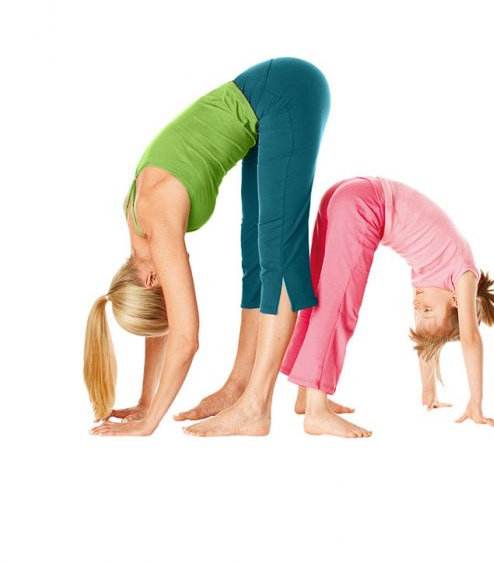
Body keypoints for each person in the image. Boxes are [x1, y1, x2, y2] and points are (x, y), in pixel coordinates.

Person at [86, 57, 332, 437]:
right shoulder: (139, 220)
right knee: (257, 258)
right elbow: (166, 323)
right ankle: (238, 386)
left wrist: (149, 424)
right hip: (267, 105)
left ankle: (256, 407)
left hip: (285, 92)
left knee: (279, 253)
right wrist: (146, 401)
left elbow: (185, 339)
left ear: (151, 280)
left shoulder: (157, 216)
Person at [279, 176, 494, 438]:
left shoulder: (433, 275)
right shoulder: (464, 274)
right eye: (427, 310)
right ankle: (316, 412)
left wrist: (428, 390)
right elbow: (470, 337)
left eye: (421, 311)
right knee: (339, 308)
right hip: (363, 205)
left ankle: (306, 397)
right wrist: (475, 402)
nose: (418, 305)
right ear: (456, 301)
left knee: (318, 298)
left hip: (344, 195)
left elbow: (424, 336)